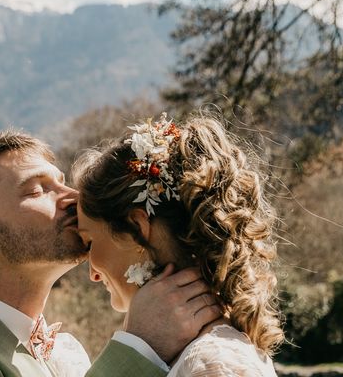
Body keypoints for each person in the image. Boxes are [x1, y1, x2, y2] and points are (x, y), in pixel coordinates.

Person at [0, 131, 221, 377]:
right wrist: (141, 347)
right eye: (38, 189)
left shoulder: (63, 350)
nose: (73, 197)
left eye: (63, 182)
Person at [73, 114, 284, 376]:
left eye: (90, 241)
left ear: (136, 228)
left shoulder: (211, 366)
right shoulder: (196, 354)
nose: (92, 273)